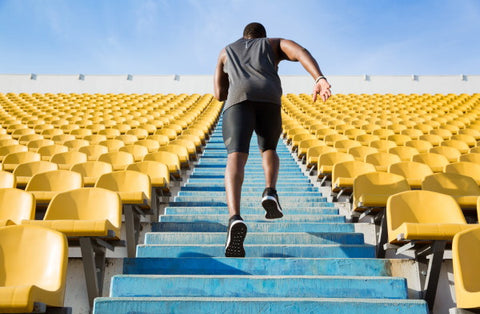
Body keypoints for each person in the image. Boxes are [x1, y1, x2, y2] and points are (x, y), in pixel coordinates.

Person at [213, 22, 331, 257]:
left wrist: (234, 77)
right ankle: (269, 191)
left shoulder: (226, 51)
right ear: (262, 37)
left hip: (239, 100)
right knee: (269, 149)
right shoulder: (273, 43)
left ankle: (235, 218)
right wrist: (319, 78)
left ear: (244, 36)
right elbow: (300, 52)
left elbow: (219, 94)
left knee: (236, 156)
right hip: (269, 97)